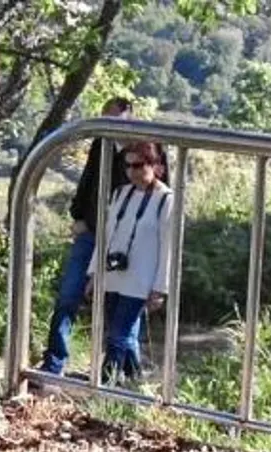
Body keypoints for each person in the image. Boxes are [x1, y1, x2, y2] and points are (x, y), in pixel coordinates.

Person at [39, 97, 134, 376]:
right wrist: (78, 216)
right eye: (105, 119)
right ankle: (53, 365)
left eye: (115, 120)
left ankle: (122, 374)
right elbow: (88, 181)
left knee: (122, 305)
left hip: (125, 240)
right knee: (68, 295)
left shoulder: (144, 149)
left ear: (130, 119)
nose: (109, 126)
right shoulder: (100, 145)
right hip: (91, 231)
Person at [89, 140, 174, 384]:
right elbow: (106, 235)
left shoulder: (166, 200)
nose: (132, 172)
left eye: (138, 166)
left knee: (118, 335)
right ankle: (135, 381)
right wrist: (95, 273)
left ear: (156, 166)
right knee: (124, 335)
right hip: (113, 275)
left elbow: (168, 248)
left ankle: (105, 384)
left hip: (140, 281)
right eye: (127, 167)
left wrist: (160, 288)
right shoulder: (120, 193)